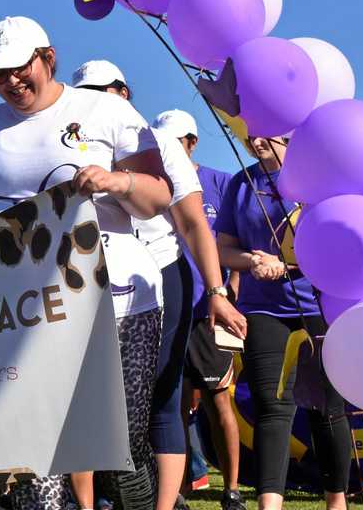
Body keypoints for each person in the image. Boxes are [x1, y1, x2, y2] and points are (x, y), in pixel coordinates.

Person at [0, 18, 174, 510]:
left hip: (118, 304)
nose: (10, 82)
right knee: (29, 453)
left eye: (18, 68)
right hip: (20, 310)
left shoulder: (104, 109)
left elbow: (158, 197)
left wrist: (116, 182)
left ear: (47, 57)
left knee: (118, 447)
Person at [71, 63, 247, 510]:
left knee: (163, 396)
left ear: (124, 91)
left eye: (102, 91)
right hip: (92, 280)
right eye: (83, 92)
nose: (93, 98)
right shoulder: (69, 140)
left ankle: (165, 505)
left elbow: (192, 224)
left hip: (162, 275)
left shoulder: (161, 143)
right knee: (87, 396)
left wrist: (217, 292)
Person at [214, 136, 351, 510]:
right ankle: (268, 504)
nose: (256, 140)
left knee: (327, 408)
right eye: (251, 133)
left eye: (268, 135)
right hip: (264, 310)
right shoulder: (242, 184)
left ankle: (335, 501)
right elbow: (223, 248)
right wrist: (251, 260)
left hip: (320, 307)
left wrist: (296, 262)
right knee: (272, 407)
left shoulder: (318, 181)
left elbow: (341, 237)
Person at [151, 110, 244, 510]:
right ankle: (180, 492)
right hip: (165, 306)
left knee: (217, 398)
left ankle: (232, 490)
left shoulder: (221, 183)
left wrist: (228, 292)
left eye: (178, 141)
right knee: (173, 401)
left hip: (208, 309)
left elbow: (230, 240)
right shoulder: (153, 180)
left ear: (192, 142)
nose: (171, 148)